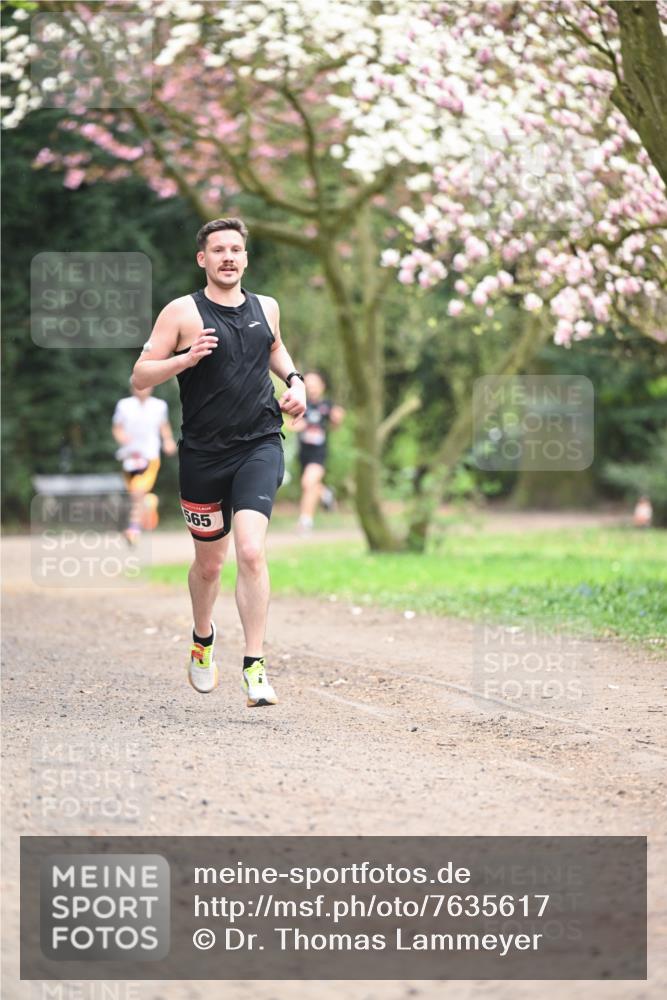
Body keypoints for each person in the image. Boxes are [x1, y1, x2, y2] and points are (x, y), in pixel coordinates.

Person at [131, 217, 306, 706]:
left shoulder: (266, 307)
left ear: (245, 257)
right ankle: (202, 640)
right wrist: (184, 360)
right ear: (202, 259)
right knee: (210, 565)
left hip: (260, 443)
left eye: (236, 249)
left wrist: (296, 381)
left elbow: (273, 346)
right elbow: (140, 376)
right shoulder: (182, 312)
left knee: (251, 550)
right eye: (218, 250)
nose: (229, 257)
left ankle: (254, 666)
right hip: (204, 455)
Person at [112, 382, 177, 545]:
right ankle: (150, 502)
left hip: (150, 456)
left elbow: (164, 426)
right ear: (132, 387)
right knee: (136, 493)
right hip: (129, 457)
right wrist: (122, 438)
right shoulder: (124, 405)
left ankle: (133, 529)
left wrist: (168, 441)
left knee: (138, 490)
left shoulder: (159, 405)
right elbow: (117, 428)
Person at [293, 371, 345, 532]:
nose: (312, 389)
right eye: (309, 386)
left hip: (319, 453)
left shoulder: (327, 405)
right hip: (303, 453)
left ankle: (305, 521)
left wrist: (338, 419)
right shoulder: (301, 404)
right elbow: (290, 423)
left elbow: (336, 424)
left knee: (308, 483)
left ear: (322, 386)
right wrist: (296, 425)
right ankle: (325, 493)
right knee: (310, 486)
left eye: (315, 385)